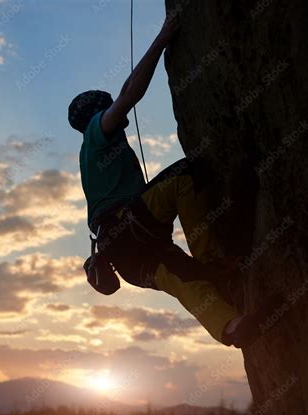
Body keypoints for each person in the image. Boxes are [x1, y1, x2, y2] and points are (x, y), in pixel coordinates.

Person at [68, 14, 260, 348]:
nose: (117, 111)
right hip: (126, 226)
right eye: (108, 107)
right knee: (186, 176)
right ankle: (211, 258)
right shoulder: (96, 135)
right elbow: (129, 94)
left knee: (183, 279)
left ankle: (231, 326)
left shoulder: (90, 153)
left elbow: (124, 96)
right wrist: (161, 39)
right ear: (97, 113)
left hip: (122, 252)